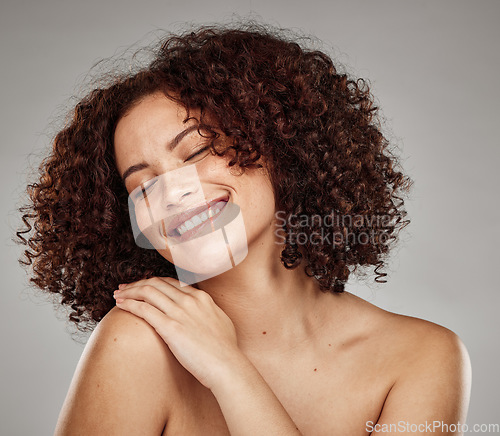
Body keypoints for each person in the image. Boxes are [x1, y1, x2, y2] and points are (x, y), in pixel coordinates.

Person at [17, 22, 471, 435]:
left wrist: (228, 369)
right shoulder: (136, 345)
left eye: (195, 153)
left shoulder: (422, 357)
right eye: (143, 185)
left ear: (279, 143)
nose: (172, 192)